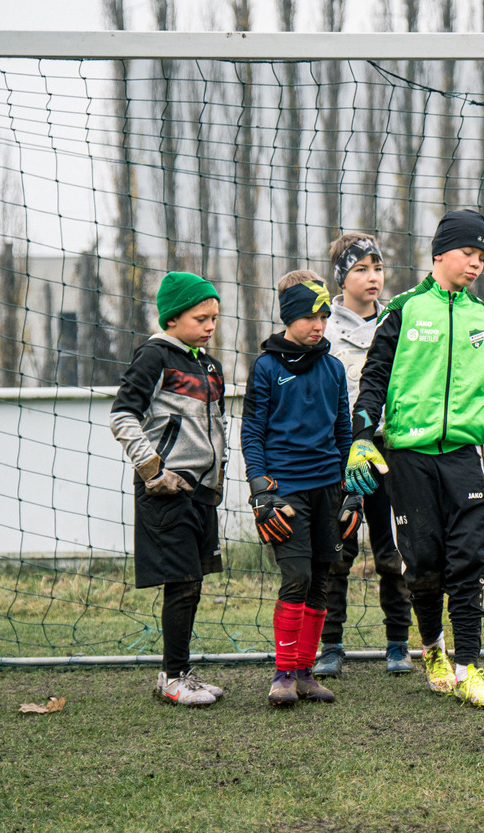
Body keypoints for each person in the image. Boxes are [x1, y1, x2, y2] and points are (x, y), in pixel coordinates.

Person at [345, 209, 484, 709]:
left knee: (469, 561)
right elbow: (373, 379)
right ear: (440, 254)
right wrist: (361, 436)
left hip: (464, 455)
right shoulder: (402, 310)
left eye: (483, 256)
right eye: (468, 252)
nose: (476, 263)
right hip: (409, 458)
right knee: (423, 566)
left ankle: (469, 669)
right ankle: (433, 649)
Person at [110, 270, 228, 707]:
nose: (211, 326)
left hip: (201, 493)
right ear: (173, 319)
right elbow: (122, 416)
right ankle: (173, 677)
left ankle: (177, 673)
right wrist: (152, 470)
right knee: (181, 582)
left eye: (214, 317)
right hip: (167, 491)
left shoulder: (209, 364)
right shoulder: (155, 357)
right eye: (201, 318)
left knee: (193, 582)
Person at [241, 270, 353, 707]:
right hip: (285, 491)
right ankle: (283, 675)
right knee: (297, 577)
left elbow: (344, 433)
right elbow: (252, 431)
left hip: (328, 488)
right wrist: (260, 491)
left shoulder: (334, 368)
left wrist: (353, 491)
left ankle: (306, 673)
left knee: (322, 579)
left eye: (324, 316)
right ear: (289, 317)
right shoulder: (266, 367)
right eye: (310, 316)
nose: (319, 325)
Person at [313, 232, 415, 677]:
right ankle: (331, 646)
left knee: (394, 552)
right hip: (342, 458)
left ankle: (399, 643)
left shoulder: (398, 323)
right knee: (337, 553)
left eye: (377, 268)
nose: (372, 277)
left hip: (391, 453)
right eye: (360, 269)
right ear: (341, 277)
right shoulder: (323, 331)